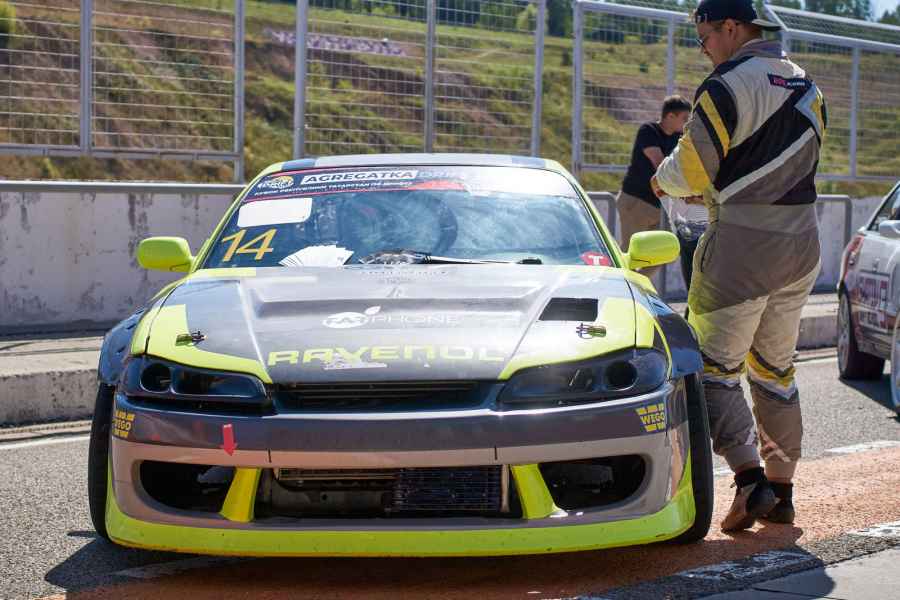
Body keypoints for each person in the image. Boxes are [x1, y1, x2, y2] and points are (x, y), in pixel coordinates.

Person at [651, 0, 826, 532]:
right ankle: (783, 488)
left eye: (704, 37)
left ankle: (749, 481)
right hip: (803, 243)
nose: (703, 49)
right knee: (776, 369)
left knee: (711, 367)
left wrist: (663, 179)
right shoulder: (807, 84)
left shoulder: (726, 83)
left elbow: (694, 168)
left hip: (742, 246)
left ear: (730, 28)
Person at [617, 96, 692, 258]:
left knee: (663, 254)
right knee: (631, 254)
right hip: (636, 201)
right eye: (684, 118)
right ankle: (620, 275)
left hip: (659, 206)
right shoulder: (649, 131)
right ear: (670, 116)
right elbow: (660, 165)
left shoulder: (678, 139)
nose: (687, 123)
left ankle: (636, 276)